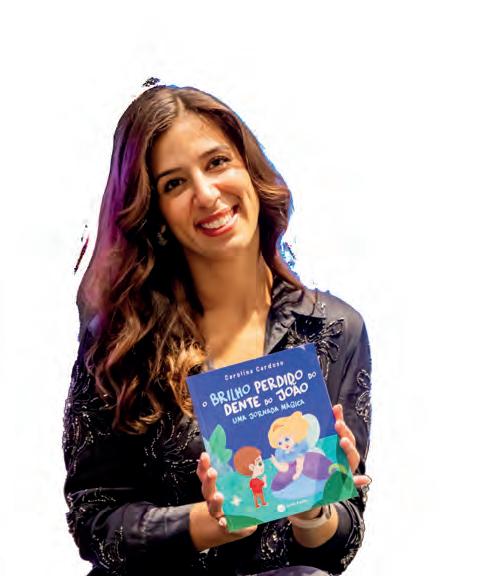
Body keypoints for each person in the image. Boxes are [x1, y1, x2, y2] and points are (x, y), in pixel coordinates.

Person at [63, 79, 373, 576]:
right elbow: (94, 520)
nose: (207, 194)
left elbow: (337, 546)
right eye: (174, 184)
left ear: (250, 169)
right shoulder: (121, 338)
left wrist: (313, 511)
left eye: (217, 163)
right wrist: (207, 523)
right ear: (155, 213)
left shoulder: (335, 330)